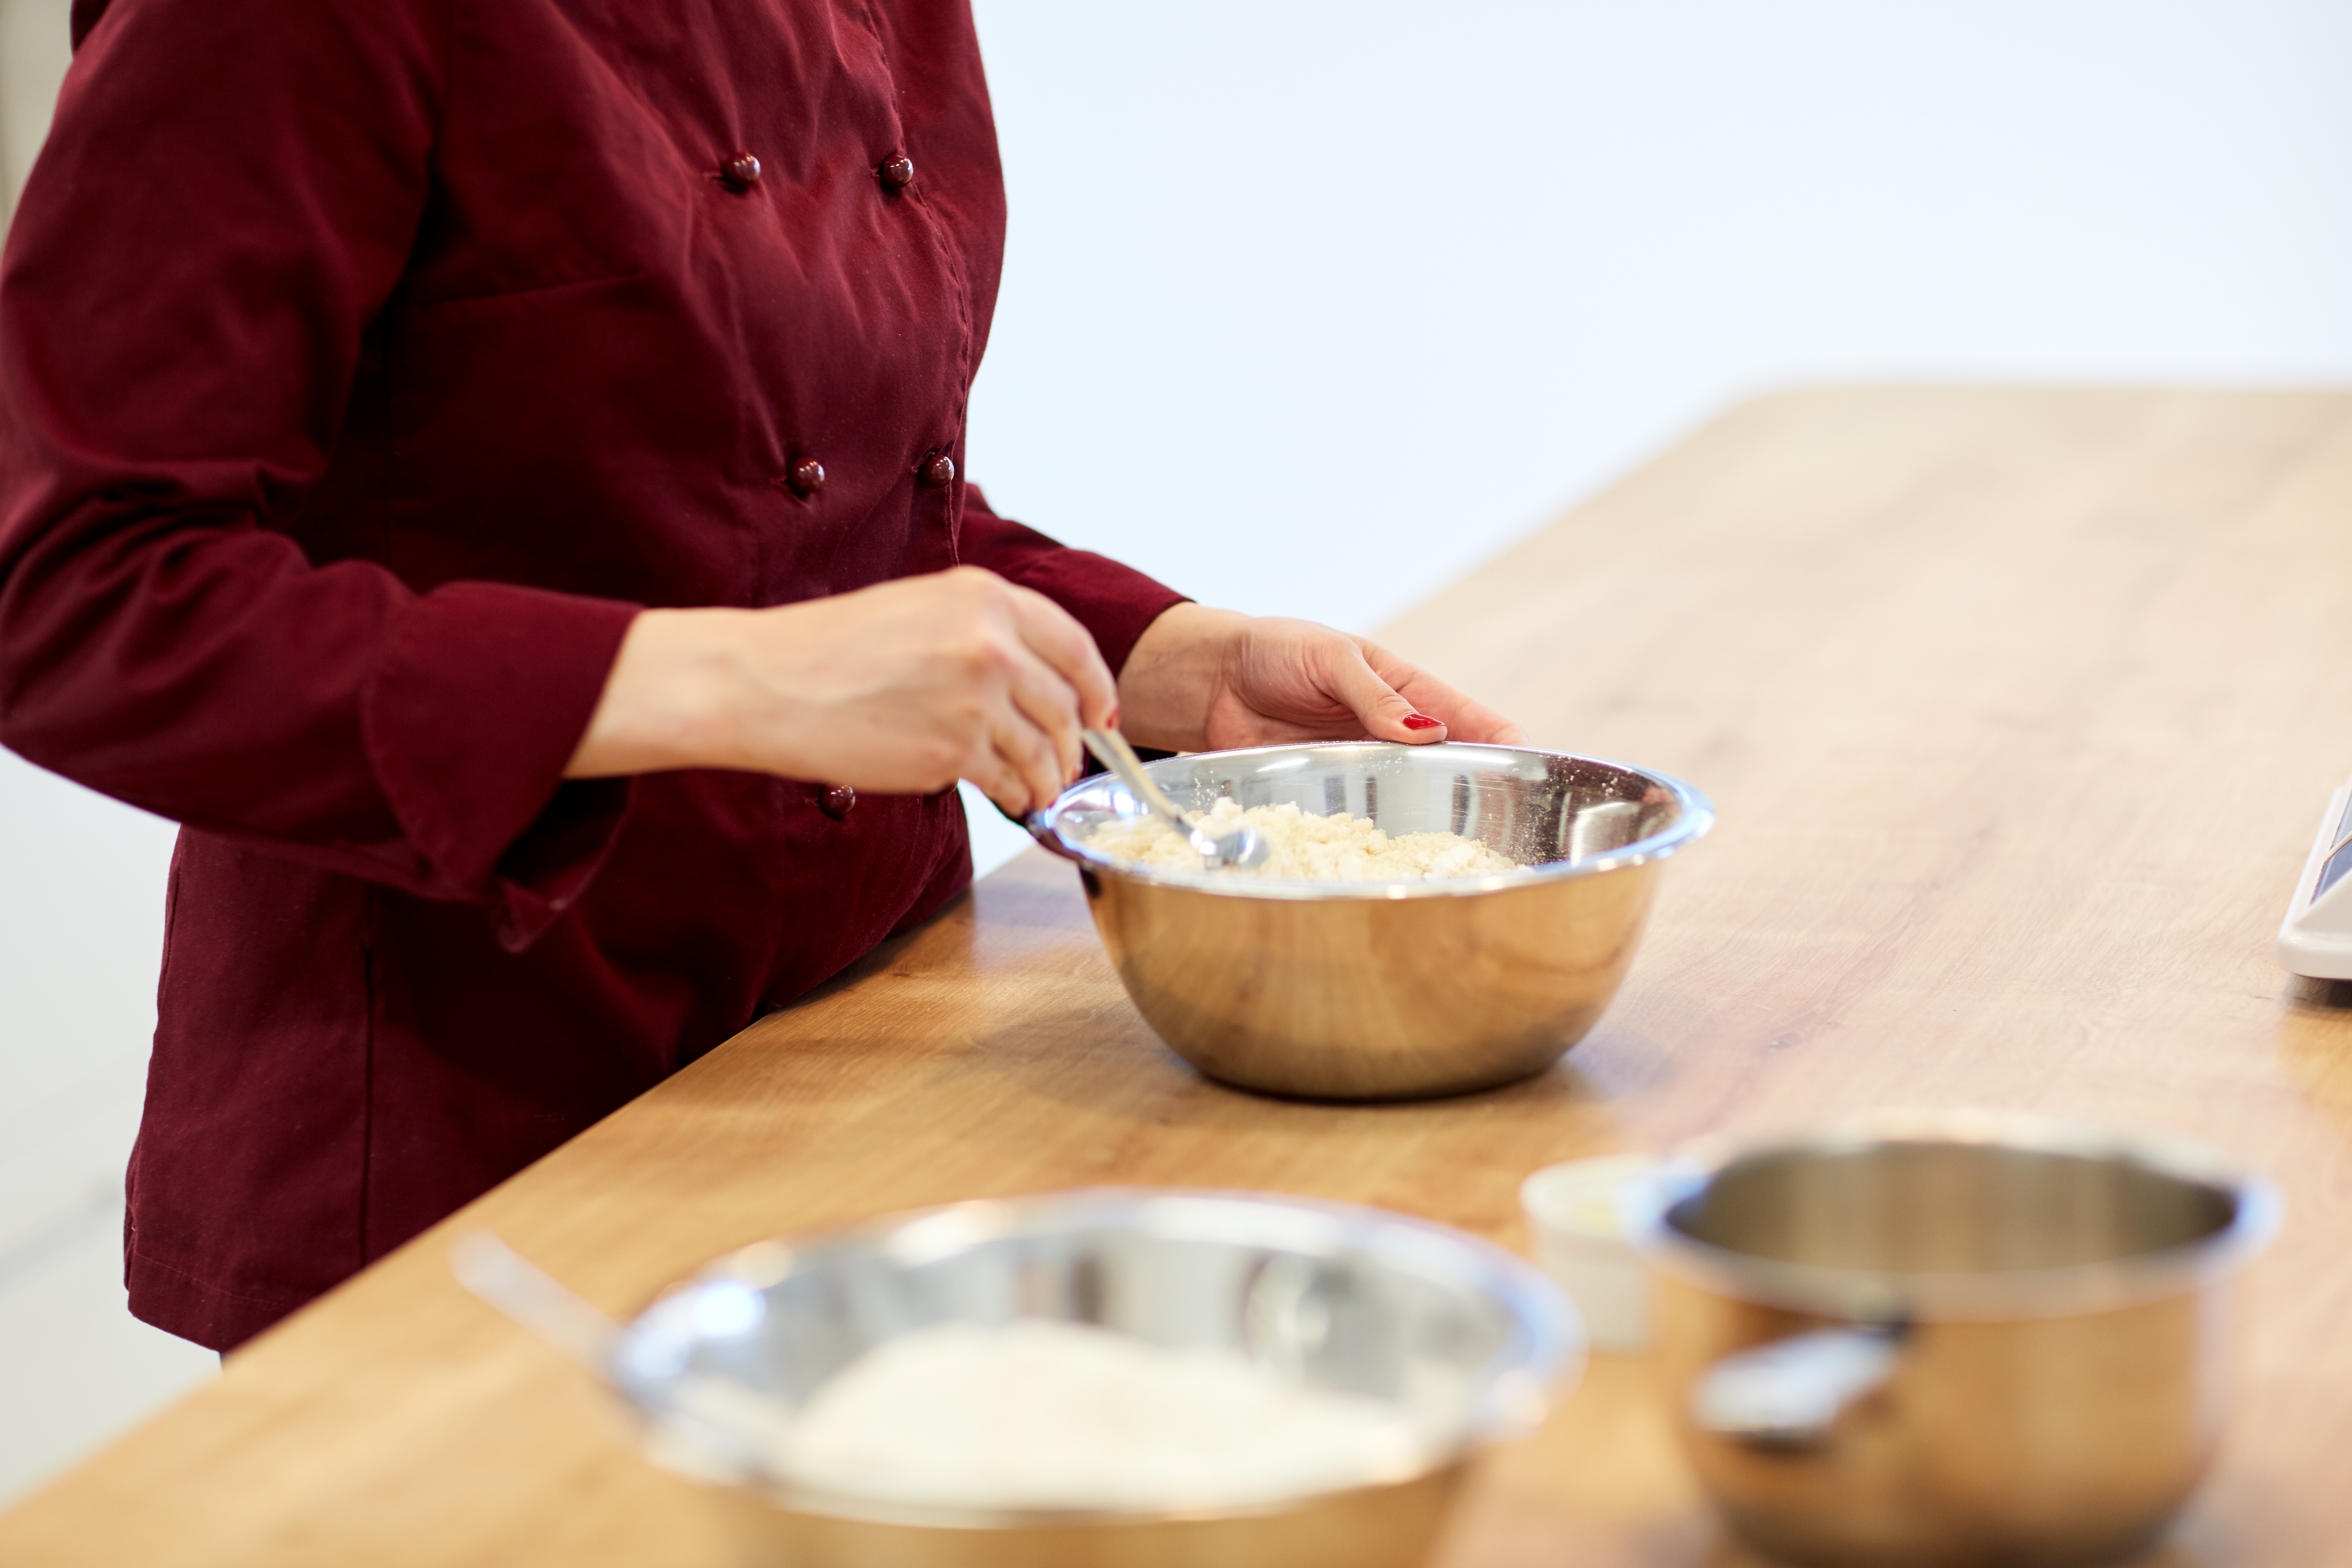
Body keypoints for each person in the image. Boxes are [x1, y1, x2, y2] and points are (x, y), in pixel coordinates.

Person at [0, 0, 1524, 1352]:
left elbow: (794, 497)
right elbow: (66, 586)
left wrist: (1152, 659)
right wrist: (719, 684)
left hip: (879, 1061)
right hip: (471, 1143)